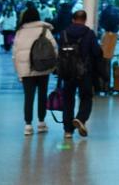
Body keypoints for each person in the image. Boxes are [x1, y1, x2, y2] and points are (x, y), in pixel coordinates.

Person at [12, 7, 57, 135]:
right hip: (43, 68)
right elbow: (54, 48)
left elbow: (15, 54)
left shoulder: (20, 32)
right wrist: (53, 66)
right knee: (42, 95)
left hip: (26, 70)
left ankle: (28, 125)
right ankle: (41, 122)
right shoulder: (45, 29)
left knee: (28, 97)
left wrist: (19, 72)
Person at [59, 10, 103, 140]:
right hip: (84, 71)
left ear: (73, 19)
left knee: (68, 99)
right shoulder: (89, 34)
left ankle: (68, 130)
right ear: (85, 20)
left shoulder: (64, 33)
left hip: (67, 72)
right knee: (86, 97)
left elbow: (60, 52)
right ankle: (80, 118)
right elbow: (96, 52)